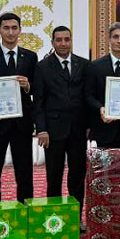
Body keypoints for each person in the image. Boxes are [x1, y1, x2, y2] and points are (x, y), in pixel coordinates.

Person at [0, 12, 38, 203]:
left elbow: (38, 87)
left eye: (14, 28)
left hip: (22, 124)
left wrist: (28, 86)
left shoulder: (30, 57)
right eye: (6, 28)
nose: (10, 32)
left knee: (25, 174)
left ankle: (25, 211)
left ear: (20, 30)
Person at [34, 26, 89, 208]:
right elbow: (38, 102)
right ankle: (54, 215)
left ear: (71, 41)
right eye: (59, 40)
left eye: (67, 39)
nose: (63, 43)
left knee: (77, 176)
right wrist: (41, 129)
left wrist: (91, 126)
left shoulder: (84, 64)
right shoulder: (42, 67)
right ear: (52, 42)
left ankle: (76, 215)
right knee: (54, 176)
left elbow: (88, 97)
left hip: (78, 130)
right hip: (53, 131)